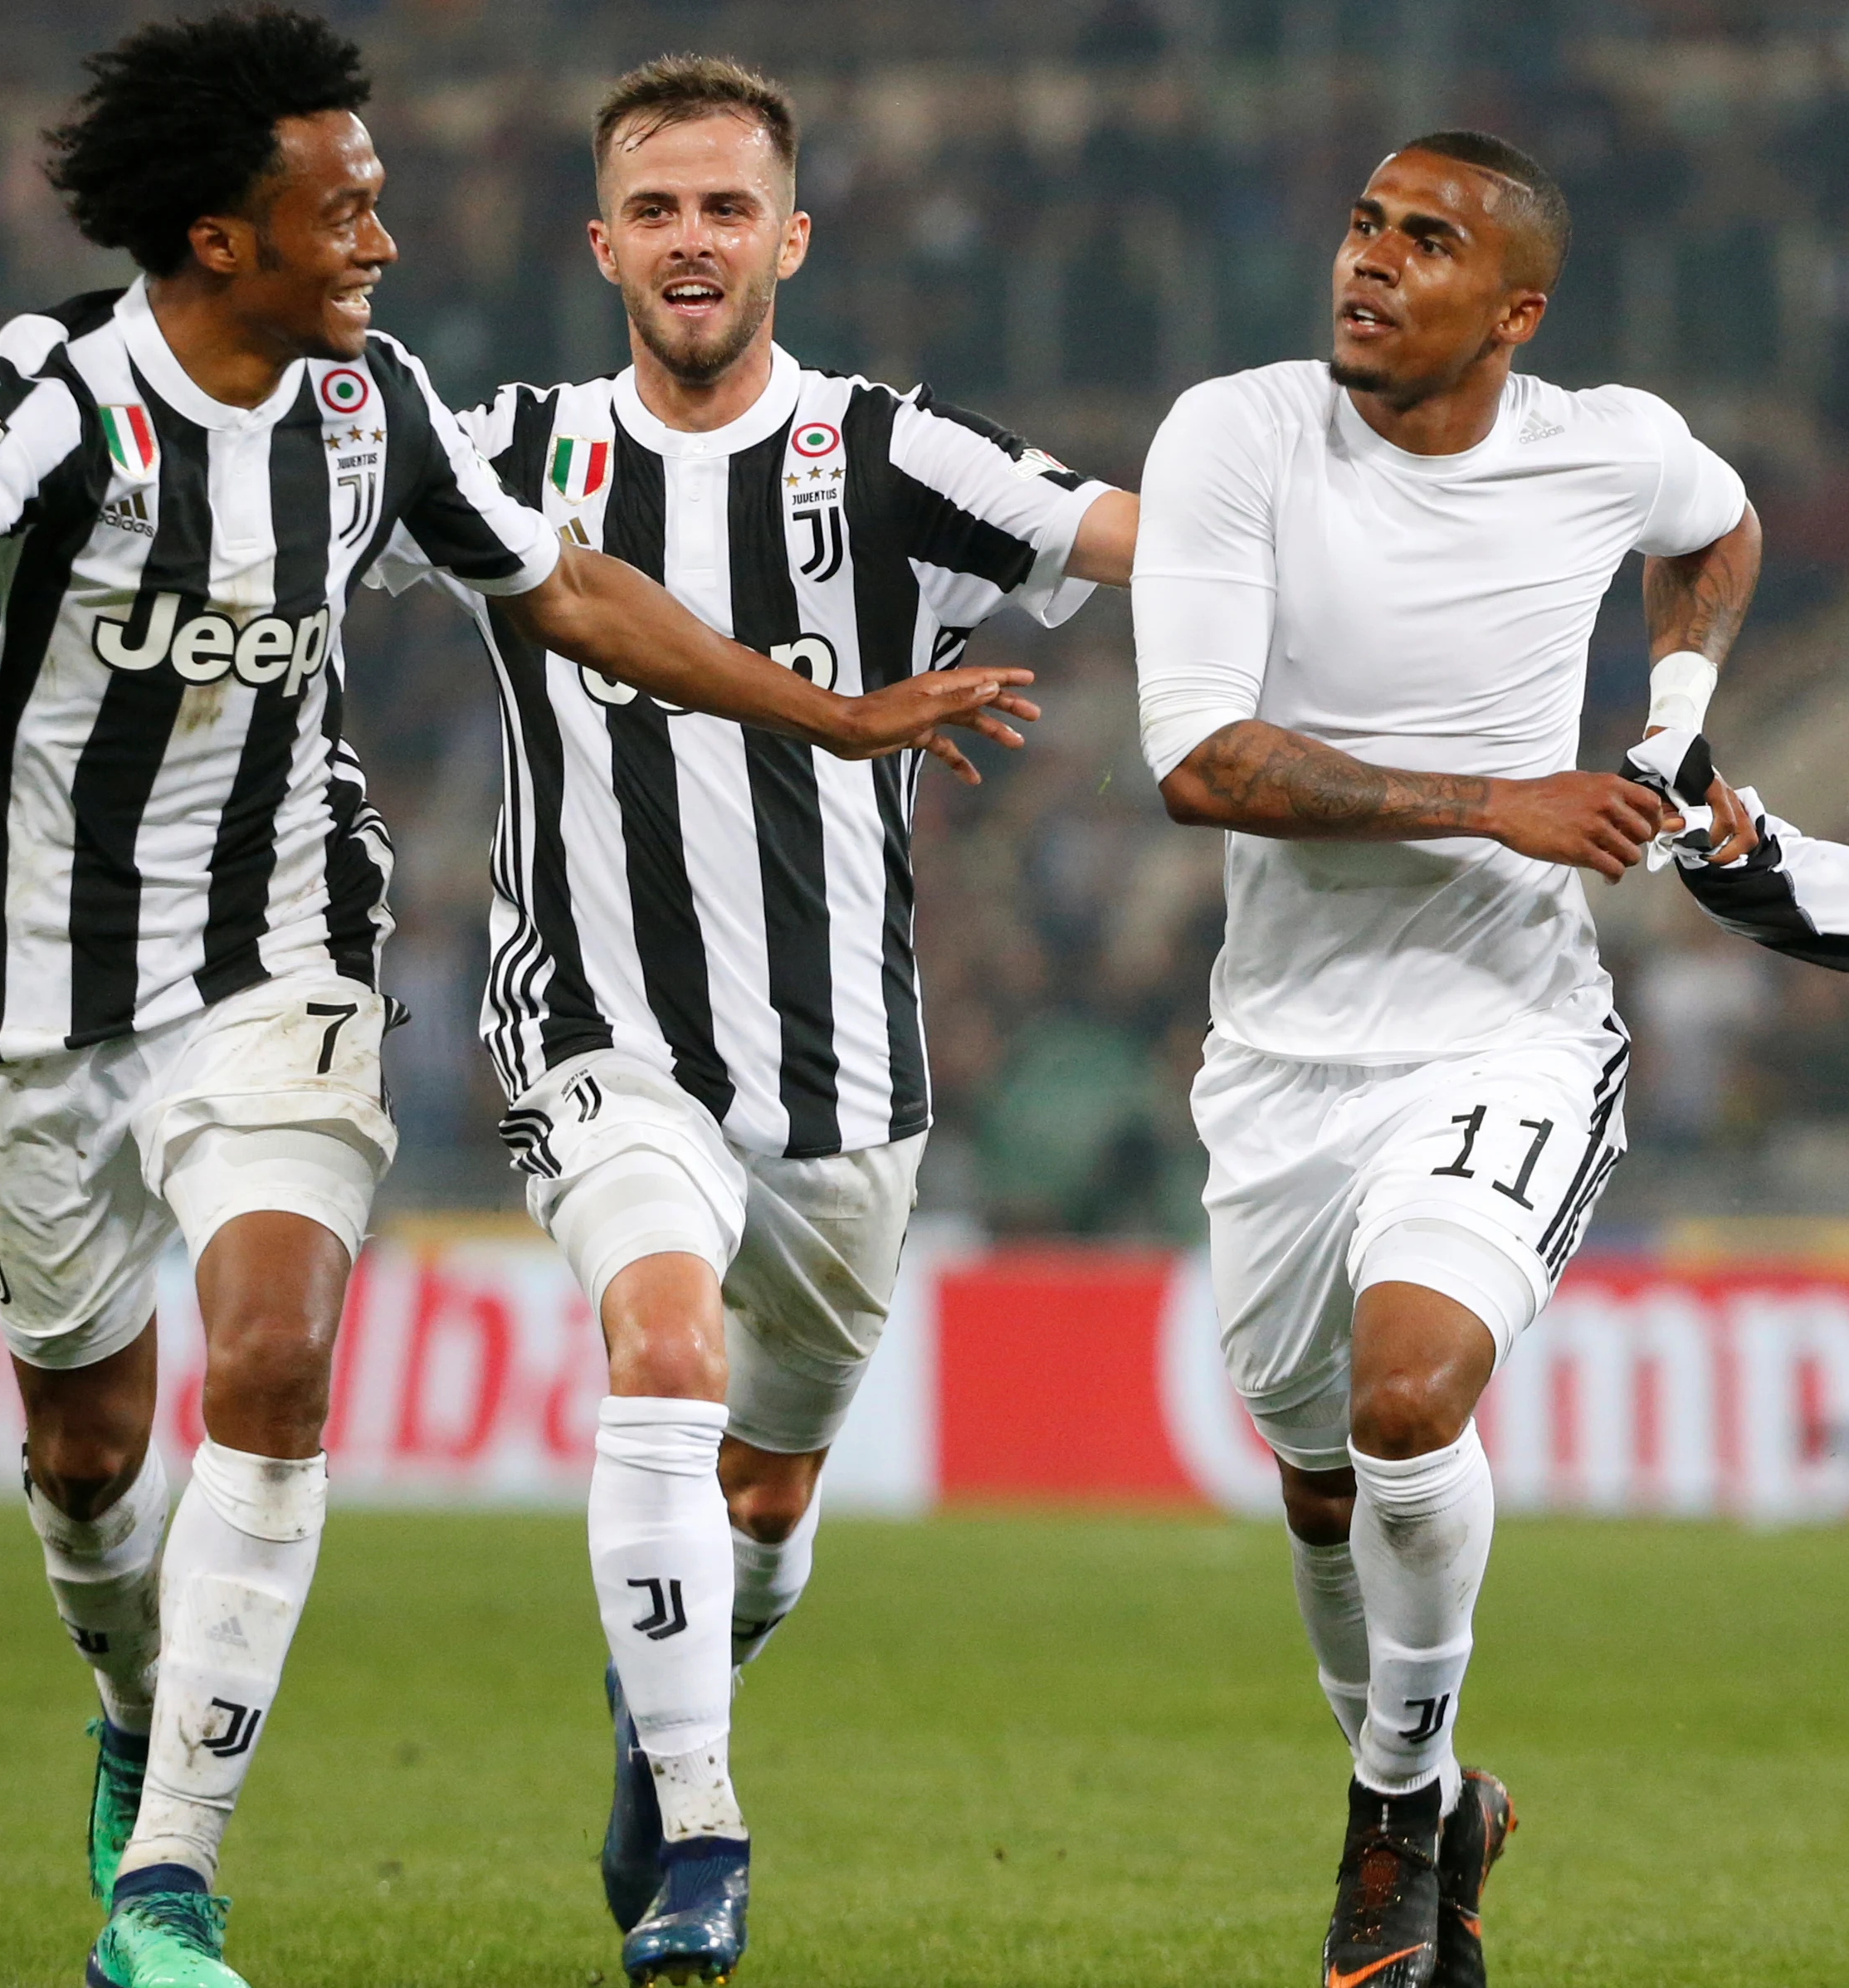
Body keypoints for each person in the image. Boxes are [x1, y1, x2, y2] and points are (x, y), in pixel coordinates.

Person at [0, 15, 1032, 1988]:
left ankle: (167, 1883)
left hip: (281, 950)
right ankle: (134, 1716)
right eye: (342, 204)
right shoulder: (58, 393)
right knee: (92, 1464)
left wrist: (836, 713)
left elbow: (567, 586)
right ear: (219, 237)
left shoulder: (369, 411)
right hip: (35, 992)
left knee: (275, 1359)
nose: (381, 231)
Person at [392, 55, 1130, 1986]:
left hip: (847, 1077)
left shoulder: (892, 453)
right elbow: (294, 508)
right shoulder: (508, 451)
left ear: (789, 238)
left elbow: (1142, 541)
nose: (693, 242)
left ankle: (686, 1672)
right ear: (602, 243)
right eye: (657, 210)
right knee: (659, 1347)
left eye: (727, 209)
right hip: (600, 1031)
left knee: (772, 1500)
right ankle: (706, 1830)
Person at [1133, 131, 1759, 1988]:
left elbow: (1717, 526)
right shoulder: (1235, 437)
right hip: (1280, 1060)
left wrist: (1678, 721)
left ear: (1515, 311)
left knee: (1413, 1403)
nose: (1371, 264)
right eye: (1361, 227)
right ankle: (1437, 1801)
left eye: (1426, 242)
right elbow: (1204, 765)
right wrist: (1509, 797)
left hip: (1507, 1033)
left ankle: (1392, 1820)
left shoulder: (1604, 446)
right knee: (1322, 1485)